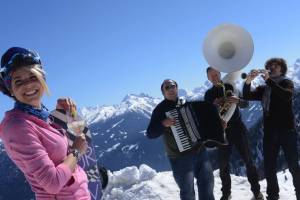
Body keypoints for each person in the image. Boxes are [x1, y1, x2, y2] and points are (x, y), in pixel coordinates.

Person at [0, 47, 91, 200]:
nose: (28, 85)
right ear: (11, 90)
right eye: (18, 81)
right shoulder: (16, 126)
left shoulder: (42, 116)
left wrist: (67, 114)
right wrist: (76, 152)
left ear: (42, 79)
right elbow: (52, 183)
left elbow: (83, 140)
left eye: (33, 76)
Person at [146, 79, 216, 200]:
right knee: (187, 191)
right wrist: (163, 124)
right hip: (180, 157)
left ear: (177, 88)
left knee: (207, 184)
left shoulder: (186, 103)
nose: (170, 89)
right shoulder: (160, 110)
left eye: (172, 86)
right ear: (163, 93)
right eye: (167, 88)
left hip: (200, 151)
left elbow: (203, 123)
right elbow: (150, 133)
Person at [243, 58, 300, 200]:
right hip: (269, 132)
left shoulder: (287, 83)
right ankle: (272, 196)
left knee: (293, 166)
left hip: (287, 130)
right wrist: (248, 81)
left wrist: (269, 81)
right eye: (268, 66)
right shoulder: (265, 89)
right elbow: (247, 95)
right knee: (269, 167)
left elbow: (286, 96)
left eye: (274, 66)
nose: (271, 68)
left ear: (282, 68)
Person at [205, 67, 263, 200]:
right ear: (208, 78)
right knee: (223, 165)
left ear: (220, 74)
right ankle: (226, 194)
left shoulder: (230, 85)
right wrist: (214, 105)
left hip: (237, 128)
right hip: (222, 131)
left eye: (216, 74)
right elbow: (207, 116)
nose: (214, 77)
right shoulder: (208, 94)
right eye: (211, 76)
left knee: (249, 161)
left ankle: (256, 192)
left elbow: (246, 104)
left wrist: (238, 101)